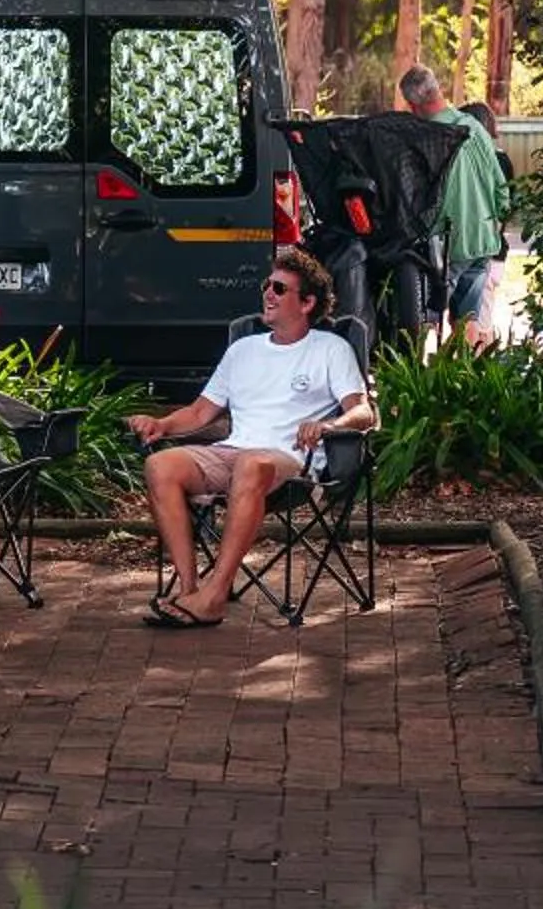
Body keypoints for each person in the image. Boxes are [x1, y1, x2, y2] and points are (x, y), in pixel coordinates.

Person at [128, 245, 376, 628]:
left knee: (250, 462)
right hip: (233, 453)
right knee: (160, 465)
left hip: (292, 462)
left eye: (279, 288)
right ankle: (189, 590)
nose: (268, 294)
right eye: (267, 285)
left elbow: (363, 412)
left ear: (307, 302)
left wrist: (329, 426)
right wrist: (161, 426)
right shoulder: (242, 350)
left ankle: (215, 595)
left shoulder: (331, 349)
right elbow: (199, 413)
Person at [400, 63, 511, 346]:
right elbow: (501, 188)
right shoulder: (473, 126)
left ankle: (421, 382)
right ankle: (466, 378)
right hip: (484, 240)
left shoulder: (427, 139)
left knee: (427, 317)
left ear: (413, 105)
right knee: (468, 318)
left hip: (449, 245)